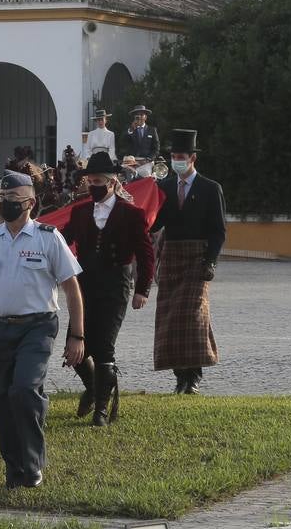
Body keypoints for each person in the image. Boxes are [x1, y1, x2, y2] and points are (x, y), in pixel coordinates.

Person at [0, 171, 84, 490]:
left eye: (14, 200)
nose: (7, 205)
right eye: (3, 200)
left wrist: (77, 335)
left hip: (38, 326)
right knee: (0, 398)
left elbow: (71, 288)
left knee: (25, 390)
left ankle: (33, 464)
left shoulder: (48, 237)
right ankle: (14, 467)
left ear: (30, 203)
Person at [60, 151, 155, 426]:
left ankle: (102, 408)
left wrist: (143, 289)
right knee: (75, 350)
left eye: (98, 180)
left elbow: (146, 254)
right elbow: (63, 240)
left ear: (112, 182)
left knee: (103, 347)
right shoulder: (80, 212)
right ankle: (93, 389)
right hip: (84, 286)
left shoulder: (132, 214)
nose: (94, 186)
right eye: (90, 181)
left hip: (116, 286)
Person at [150, 129, 225, 395]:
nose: (176, 161)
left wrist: (210, 262)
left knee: (193, 316)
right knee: (170, 319)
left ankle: (193, 376)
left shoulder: (210, 188)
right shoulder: (164, 187)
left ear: (192, 158)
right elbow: (156, 222)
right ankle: (180, 376)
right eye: (172, 156)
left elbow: (219, 230)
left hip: (197, 258)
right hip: (172, 257)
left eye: (180, 156)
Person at [121, 106, 159, 174]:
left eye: (141, 115)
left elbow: (156, 148)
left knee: (145, 182)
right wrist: (131, 129)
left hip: (146, 162)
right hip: (131, 163)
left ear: (145, 117)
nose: (139, 117)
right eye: (137, 115)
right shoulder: (129, 130)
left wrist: (148, 159)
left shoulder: (152, 130)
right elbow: (123, 143)